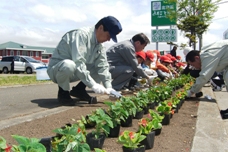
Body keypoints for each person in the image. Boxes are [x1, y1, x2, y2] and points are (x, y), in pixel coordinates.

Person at [47, 16, 122, 105]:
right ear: (101, 28)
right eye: (109, 35)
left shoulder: (99, 46)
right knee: (69, 64)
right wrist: (93, 85)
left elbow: (103, 66)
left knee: (98, 68)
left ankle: (79, 90)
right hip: (57, 70)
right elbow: (78, 62)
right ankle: (63, 92)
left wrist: (108, 87)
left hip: (75, 71)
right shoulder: (81, 35)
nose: (109, 39)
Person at [185, 39, 228, 118]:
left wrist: (191, 91)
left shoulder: (207, 55)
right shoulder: (205, 53)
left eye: (192, 64)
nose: (193, 66)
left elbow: (205, 76)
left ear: (197, 58)